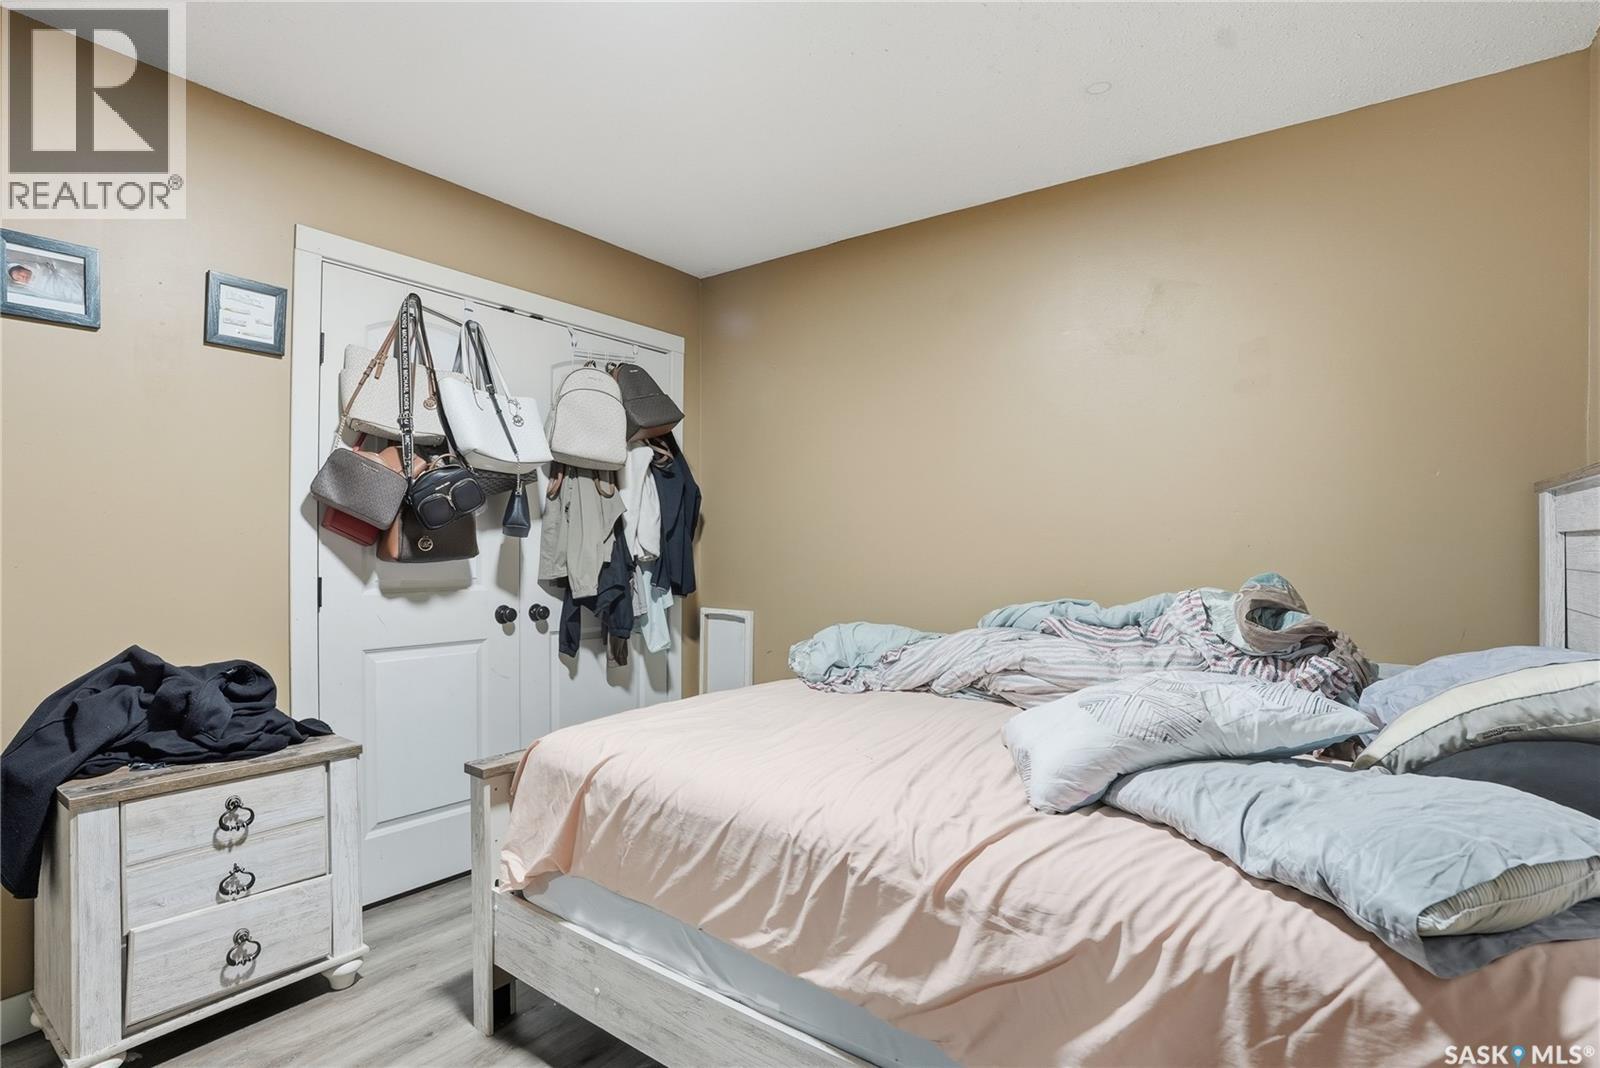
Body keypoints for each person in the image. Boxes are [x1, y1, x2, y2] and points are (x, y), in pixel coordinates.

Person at [7, 258, 84, 304]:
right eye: (18, 278)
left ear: (24, 268)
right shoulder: (32, 290)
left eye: (20, 273)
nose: (22, 277)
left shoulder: (42, 268)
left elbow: (61, 271)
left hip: (73, 286)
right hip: (66, 299)